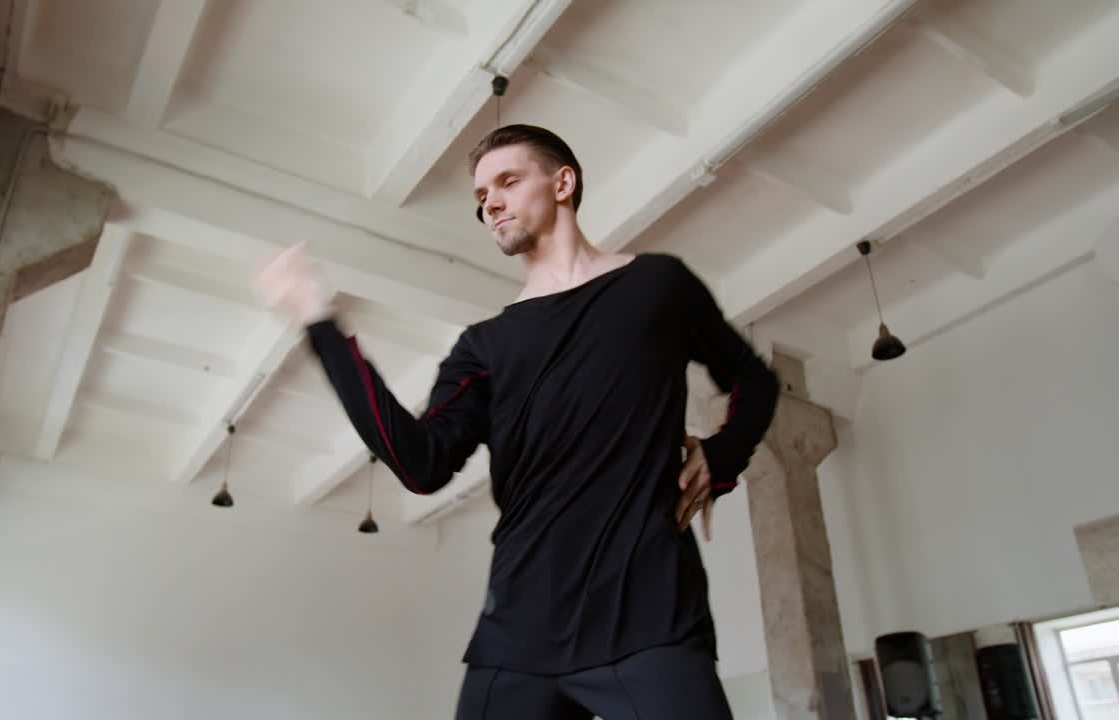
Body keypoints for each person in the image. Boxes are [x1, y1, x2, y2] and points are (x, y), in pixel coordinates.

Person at [257, 125, 779, 719]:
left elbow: (753, 380)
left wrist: (721, 456)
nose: (491, 204)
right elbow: (420, 465)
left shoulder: (658, 285)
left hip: (649, 616)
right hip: (518, 634)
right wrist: (317, 319)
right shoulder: (484, 347)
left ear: (563, 182)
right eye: (481, 197)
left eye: (507, 181)